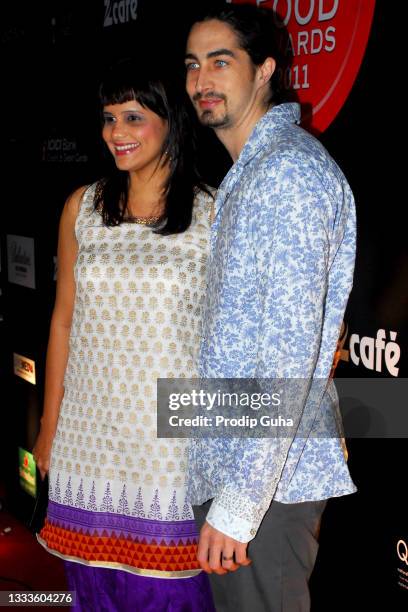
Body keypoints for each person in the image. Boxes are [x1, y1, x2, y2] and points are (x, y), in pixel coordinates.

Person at [184, 4, 357, 611]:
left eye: (220, 61)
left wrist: (237, 505)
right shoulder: (252, 171)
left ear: (265, 70)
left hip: (268, 488)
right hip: (246, 473)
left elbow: (286, 356)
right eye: (193, 64)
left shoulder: (287, 173)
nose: (201, 79)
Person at [33, 58, 215, 611]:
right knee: (93, 591)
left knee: (169, 593)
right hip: (86, 440)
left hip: (168, 447)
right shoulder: (82, 207)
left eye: (133, 118)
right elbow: (63, 319)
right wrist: (48, 427)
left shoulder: (214, 212)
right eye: (109, 119)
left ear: (171, 120)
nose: (117, 133)